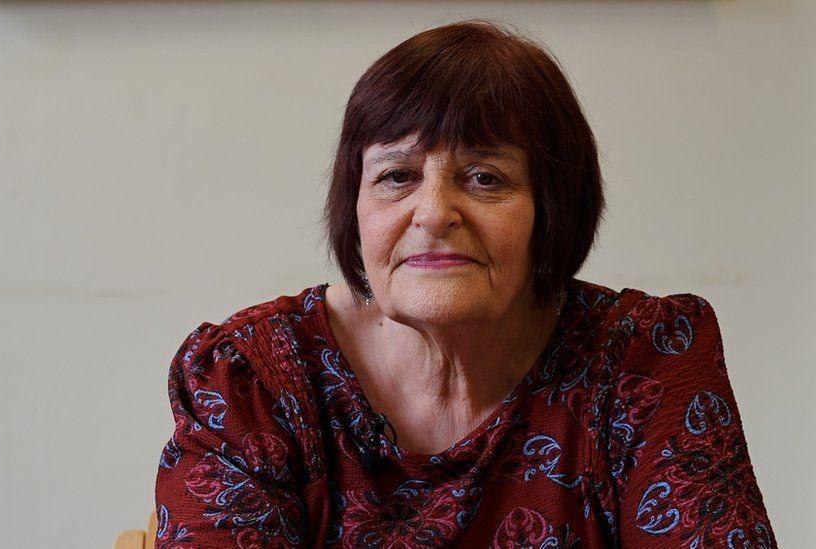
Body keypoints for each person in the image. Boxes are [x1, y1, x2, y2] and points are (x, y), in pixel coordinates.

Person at [153, 19, 776, 548]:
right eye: (397, 175)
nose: (433, 212)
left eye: (484, 177)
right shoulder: (249, 381)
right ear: (355, 206)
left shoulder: (650, 361)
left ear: (550, 207)